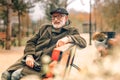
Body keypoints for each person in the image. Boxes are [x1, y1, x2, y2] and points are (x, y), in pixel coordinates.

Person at [1, 7, 87, 80]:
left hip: (43, 66)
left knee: (15, 76)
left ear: (66, 18)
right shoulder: (44, 28)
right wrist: (29, 56)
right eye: (54, 17)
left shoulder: (71, 31)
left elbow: (83, 42)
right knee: (5, 74)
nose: (56, 19)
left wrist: (68, 38)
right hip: (29, 60)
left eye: (60, 17)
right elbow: (31, 42)